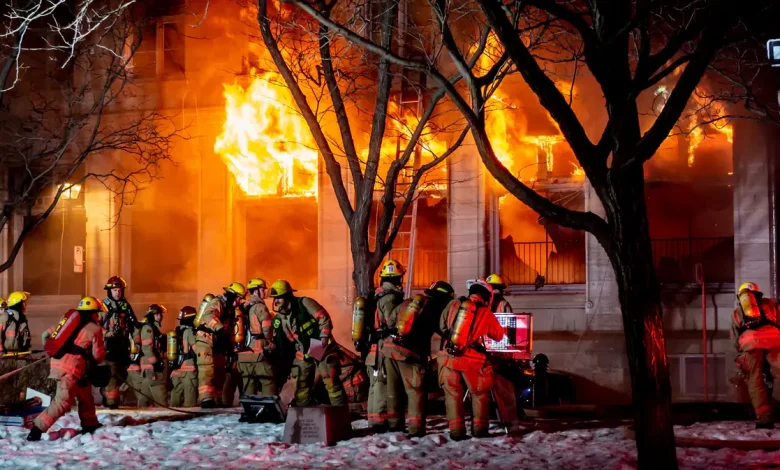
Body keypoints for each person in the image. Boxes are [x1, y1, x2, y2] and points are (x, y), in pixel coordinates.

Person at [27, 297, 106, 441]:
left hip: (67, 367)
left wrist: (55, 353)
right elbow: (98, 356)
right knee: (62, 401)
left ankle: (90, 424)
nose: (99, 316)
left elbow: (46, 335)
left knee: (85, 396)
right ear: (94, 313)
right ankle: (37, 429)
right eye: (98, 313)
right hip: (70, 369)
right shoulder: (95, 329)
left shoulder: (67, 323)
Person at [383, 280, 455, 437]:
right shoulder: (435, 309)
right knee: (415, 391)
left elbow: (389, 322)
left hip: (389, 350)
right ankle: (416, 429)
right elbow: (443, 330)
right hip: (411, 355)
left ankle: (394, 426)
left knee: (393, 390)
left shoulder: (409, 302)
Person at [438, 279, 505, 440]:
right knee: (479, 394)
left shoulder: (454, 304)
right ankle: (480, 430)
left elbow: (442, 326)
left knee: (453, 395)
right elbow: (499, 335)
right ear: (486, 297)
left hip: (448, 357)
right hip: (471, 361)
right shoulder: (485, 313)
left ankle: (456, 432)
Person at [270, 279, 346, 406]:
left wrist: (322, 340)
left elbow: (324, 318)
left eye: (278, 298)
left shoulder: (304, 303)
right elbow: (284, 346)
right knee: (301, 389)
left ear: (287, 296)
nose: (275, 301)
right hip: (303, 351)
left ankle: (340, 415)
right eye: (274, 298)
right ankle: (305, 416)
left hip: (318, 344)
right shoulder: (279, 319)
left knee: (331, 383)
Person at [731, 281, 780, 428]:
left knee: (755, 381)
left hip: (750, 344)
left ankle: (765, 420)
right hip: (775, 342)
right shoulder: (772, 305)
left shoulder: (737, 313)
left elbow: (734, 338)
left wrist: (740, 354)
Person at [365, 259, 406, 431]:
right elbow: (391, 323)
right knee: (381, 383)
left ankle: (375, 420)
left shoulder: (377, 295)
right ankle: (379, 422)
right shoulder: (390, 298)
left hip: (374, 349)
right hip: (382, 349)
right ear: (397, 279)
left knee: (376, 384)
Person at [197, 283, 245, 408]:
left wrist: (230, 346)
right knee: (207, 369)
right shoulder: (217, 302)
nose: (240, 302)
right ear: (232, 296)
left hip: (218, 341)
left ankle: (216, 399)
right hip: (206, 340)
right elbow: (208, 315)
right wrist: (219, 329)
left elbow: (228, 330)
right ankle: (206, 399)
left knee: (220, 370)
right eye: (239, 298)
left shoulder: (229, 309)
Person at [101, 276, 136, 408]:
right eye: (115, 290)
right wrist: (106, 333)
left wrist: (135, 344)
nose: (118, 293)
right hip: (109, 345)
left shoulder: (126, 306)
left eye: (120, 290)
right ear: (110, 291)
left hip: (123, 345)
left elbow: (133, 325)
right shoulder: (103, 306)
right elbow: (94, 325)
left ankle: (112, 395)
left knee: (125, 374)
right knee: (112, 374)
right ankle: (111, 402)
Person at [238, 278, 276, 396]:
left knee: (249, 385)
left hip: (243, 355)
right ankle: (269, 412)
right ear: (256, 291)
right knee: (268, 381)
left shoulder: (243, 307)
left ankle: (249, 412)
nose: (264, 292)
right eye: (262, 289)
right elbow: (267, 327)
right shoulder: (260, 307)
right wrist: (270, 342)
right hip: (259, 353)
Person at [140, 304, 168, 406]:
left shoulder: (154, 329)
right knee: (161, 397)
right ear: (154, 315)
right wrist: (155, 363)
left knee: (144, 399)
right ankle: (164, 418)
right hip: (153, 368)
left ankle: (139, 415)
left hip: (150, 368)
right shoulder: (148, 328)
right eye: (159, 314)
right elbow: (147, 347)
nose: (161, 316)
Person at [170, 306, 198, 407]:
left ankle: (171, 416)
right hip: (189, 371)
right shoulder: (190, 332)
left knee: (176, 393)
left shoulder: (177, 331)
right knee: (190, 400)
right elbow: (196, 349)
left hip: (178, 368)